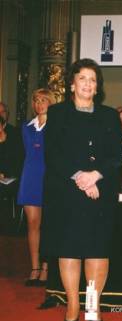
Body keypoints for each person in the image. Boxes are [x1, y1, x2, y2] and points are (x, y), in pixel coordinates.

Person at [41, 58, 122, 321]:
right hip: (67, 192)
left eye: (93, 80)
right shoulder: (57, 113)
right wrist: (80, 178)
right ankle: (73, 304)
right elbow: (53, 155)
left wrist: (95, 176)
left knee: (97, 249)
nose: (88, 84)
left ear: (98, 87)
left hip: (100, 192)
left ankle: (92, 305)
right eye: (83, 78)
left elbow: (116, 156)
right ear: (72, 84)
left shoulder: (110, 116)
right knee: (70, 249)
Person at [17, 88, 55, 286]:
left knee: (48, 223)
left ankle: (47, 268)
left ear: (51, 102)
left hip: (49, 177)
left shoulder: (57, 125)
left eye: (43, 100)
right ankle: (35, 267)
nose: (39, 104)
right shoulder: (26, 126)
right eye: (36, 101)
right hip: (30, 176)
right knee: (33, 223)